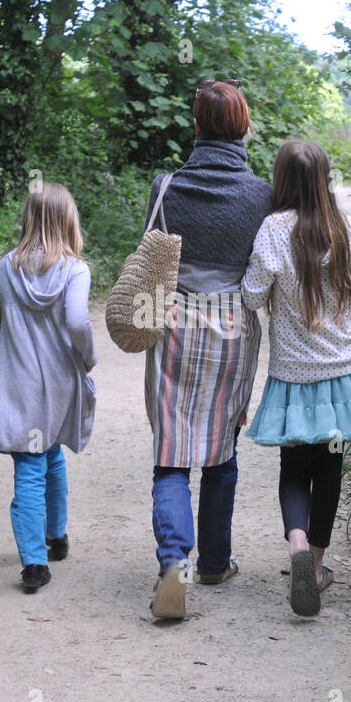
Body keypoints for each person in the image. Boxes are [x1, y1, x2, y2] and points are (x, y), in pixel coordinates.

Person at [144, 79, 271, 619]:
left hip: (172, 318)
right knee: (222, 444)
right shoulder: (263, 195)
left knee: (172, 447)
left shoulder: (165, 186)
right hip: (232, 324)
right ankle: (216, 562)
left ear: (196, 125)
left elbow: (151, 252)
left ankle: (174, 560)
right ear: (244, 127)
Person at [242, 138, 351, 616]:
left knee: (294, 468)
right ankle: (317, 567)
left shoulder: (273, 229)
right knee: (331, 470)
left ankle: (297, 546)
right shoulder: (349, 228)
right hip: (344, 372)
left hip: (293, 375)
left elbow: (251, 296)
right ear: (325, 177)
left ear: (281, 179)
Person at [0, 181, 96, 593]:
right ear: (68, 221)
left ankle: (34, 563)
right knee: (49, 451)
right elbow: (77, 321)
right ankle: (57, 535)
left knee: (30, 465)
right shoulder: (74, 269)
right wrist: (88, 357)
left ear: (28, 219)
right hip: (59, 383)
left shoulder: (3, 268)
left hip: (20, 384)